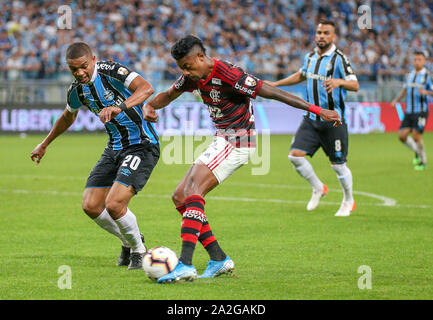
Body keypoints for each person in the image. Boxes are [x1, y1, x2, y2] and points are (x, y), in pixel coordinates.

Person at [142, 35, 341, 283]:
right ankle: (218, 259)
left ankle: (185, 264)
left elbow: (272, 92)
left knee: (193, 191)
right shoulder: (194, 76)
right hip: (222, 140)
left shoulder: (228, 74)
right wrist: (150, 105)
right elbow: (169, 94)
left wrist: (318, 110)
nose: (185, 71)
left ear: (201, 57)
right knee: (180, 196)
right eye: (181, 67)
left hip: (238, 141)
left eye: (188, 66)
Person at [30, 42, 160, 269]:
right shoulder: (77, 91)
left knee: (115, 203)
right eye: (74, 69)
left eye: (83, 66)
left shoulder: (113, 72)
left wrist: (120, 107)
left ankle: (139, 251)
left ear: (93, 60)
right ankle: (127, 241)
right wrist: (45, 144)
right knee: (90, 205)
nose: (80, 72)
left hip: (142, 144)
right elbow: (67, 117)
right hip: (114, 148)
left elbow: (147, 88)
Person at [266, 20, 360, 217]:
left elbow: (355, 84)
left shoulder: (339, 59)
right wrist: (275, 85)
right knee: (295, 156)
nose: (321, 36)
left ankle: (348, 200)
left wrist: (338, 81)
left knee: (338, 165)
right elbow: (301, 75)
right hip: (311, 118)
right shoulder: (310, 57)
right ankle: (318, 188)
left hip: (333, 120)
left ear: (333, 37)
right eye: (319, 32)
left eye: (326, 33)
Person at [391, 50, 433, 170]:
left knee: (416, 136)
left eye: (419, 59)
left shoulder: (427, 76)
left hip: (421, 111)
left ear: (424, 61)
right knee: (402, 136)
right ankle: (417, 152)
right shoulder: (409, 75)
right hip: (409, 111)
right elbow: (405, 90)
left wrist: (425, 92)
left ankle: (423, 161)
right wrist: (396, 100)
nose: (417, 62)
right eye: (415, 59)